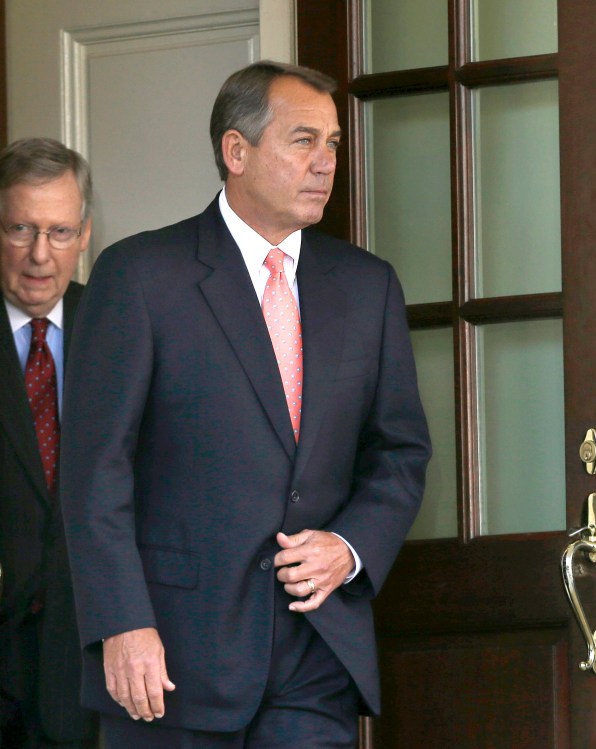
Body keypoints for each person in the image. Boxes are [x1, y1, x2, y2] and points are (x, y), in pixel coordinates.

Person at [60, 60, 431, 748]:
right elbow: (95, 470)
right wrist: (121, 621)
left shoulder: (366, 286)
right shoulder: (141, 276)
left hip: (315, 652)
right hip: (171, 656)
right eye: (303, 141)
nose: (325, 162)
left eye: (333, 144)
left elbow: (400, 451)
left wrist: (349, 547)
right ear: (237, 151)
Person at [0, 138, 98, 748]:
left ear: (85, 234)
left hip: (85, 662)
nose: (40, 255)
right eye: (20, 229)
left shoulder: (120, 329)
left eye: (60, 232)